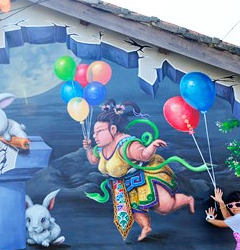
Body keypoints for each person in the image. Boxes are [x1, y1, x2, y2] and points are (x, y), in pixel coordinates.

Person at [82, 100, 195, 241]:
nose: (95, 136)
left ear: (113, 130)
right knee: (135, 211)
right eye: (94, 132)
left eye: (99, 132)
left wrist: (152, 146)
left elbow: (143, 155)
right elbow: (93, 160)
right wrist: (88, 148)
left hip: (144, 179)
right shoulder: (102, 148)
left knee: (165, 207)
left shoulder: (127, 145)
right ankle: (146, 227)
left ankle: (188, 199)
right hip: (123, 187)